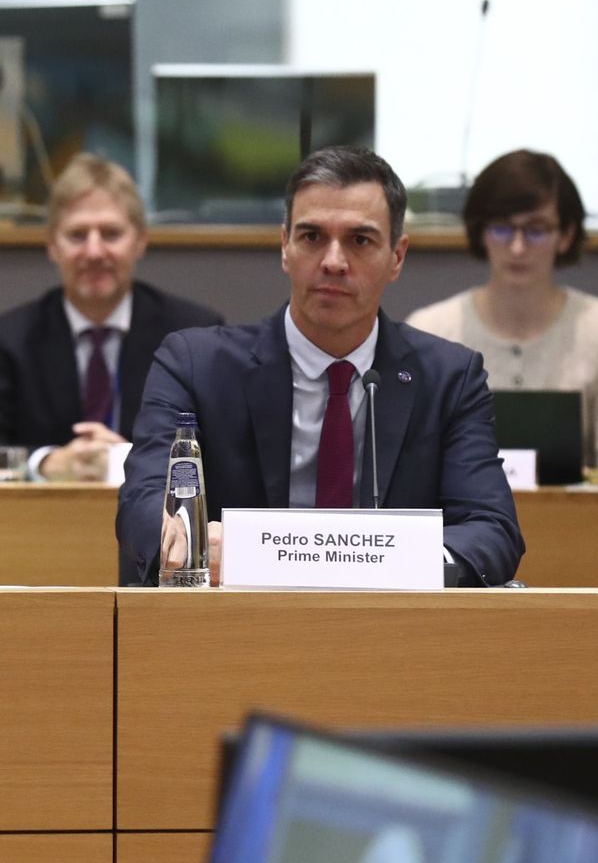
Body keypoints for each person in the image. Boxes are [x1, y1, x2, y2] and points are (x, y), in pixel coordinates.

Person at [115, 146, 524, 587]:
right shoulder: (194, 366)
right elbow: (144, 500)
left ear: (397, 257)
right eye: (312, 237)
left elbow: (491, 528)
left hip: (393, 632)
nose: (333, 261)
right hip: (232, 625)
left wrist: (405, 562)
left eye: (360, 240)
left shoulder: (449, 378)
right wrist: (188, 542)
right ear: (285, 247)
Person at [0, 154, 223, 481]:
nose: (94, 252)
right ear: (52, 246)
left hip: (161, 525)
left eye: (111, 234)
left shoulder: (191, 334)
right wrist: (47, 463)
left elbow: (225, 448)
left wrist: (121, 460)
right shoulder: (11, 340)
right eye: (77, 235)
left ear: (140, 241)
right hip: (45, 525)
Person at [405, 150, 598, 485]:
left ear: (566, 235)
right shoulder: (431, 329)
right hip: (460, 528)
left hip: (578, 527)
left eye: (536, 230)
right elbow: (414, 468)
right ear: (480, 231)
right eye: (502, 229)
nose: (518, 248)